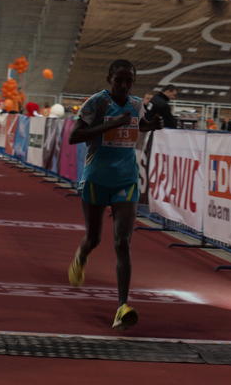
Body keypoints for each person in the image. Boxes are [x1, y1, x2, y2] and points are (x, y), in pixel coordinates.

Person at [67, 59, 163, 330]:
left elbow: (137, 125)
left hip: (126, 180)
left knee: (122, 242)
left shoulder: (136, 104)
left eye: (128, 81)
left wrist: (151, 125)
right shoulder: (96, 103)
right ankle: (82, 255)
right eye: (119, 80)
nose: (123, 85)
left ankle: (122, 306)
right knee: (94, 238)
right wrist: (109, 126)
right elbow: (74, 136)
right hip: (96, 179)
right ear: (109, 79)